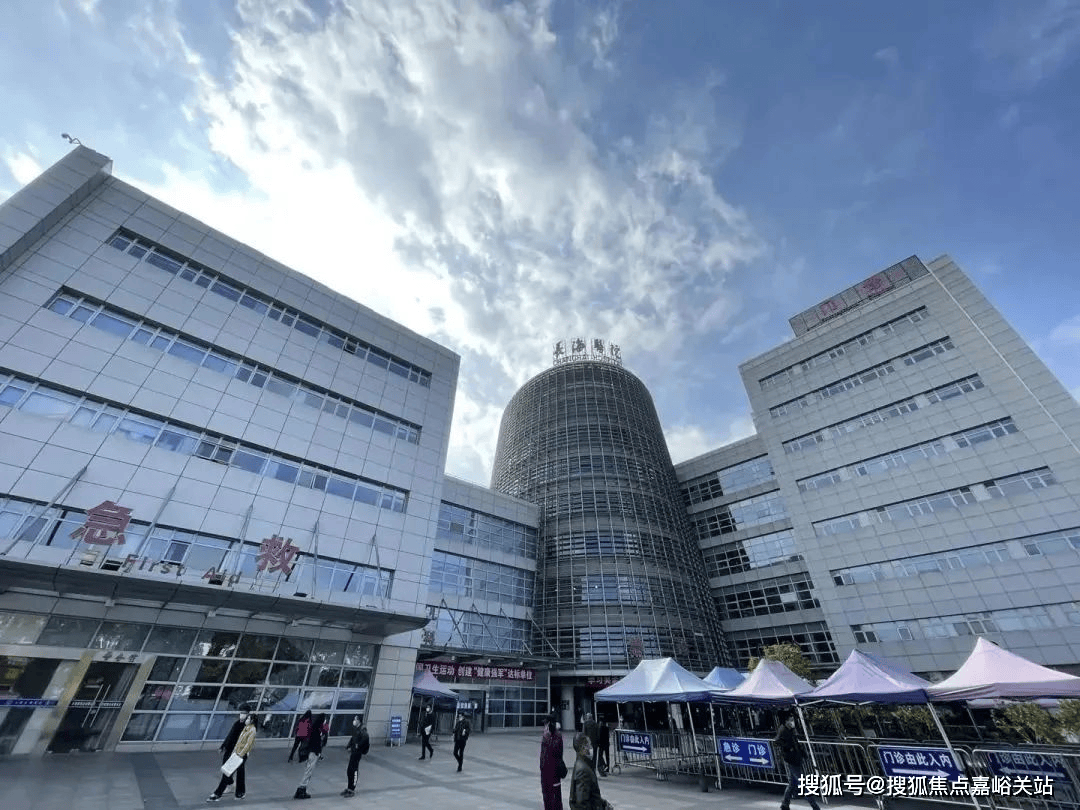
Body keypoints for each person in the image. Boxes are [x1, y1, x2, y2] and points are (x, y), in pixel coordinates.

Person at [773, 713, 820, 810]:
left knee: (792, 784)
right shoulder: (783, 730)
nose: (792, 722)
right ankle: (815, 806)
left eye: (792, 719)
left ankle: (785, 803)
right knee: (803, 783)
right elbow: (776, 742)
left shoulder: (791, 730)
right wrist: (788, 747)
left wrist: (803, 753)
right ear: (786, 721)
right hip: (792, 759)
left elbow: (796, 743)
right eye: (790, 720)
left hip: (796, 758)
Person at [207, 711, 257, 802]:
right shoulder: (246, 728)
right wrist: (234, 751)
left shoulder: (252, 730)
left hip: (240, 755)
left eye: (248, 718)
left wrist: (240, 754)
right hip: (237, 753)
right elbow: (238, 740)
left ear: (252, 721)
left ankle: (218, 794)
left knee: (228, 772)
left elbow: (248, 744)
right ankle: (240, 793)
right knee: (238, 774)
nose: (246, 719)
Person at [569, 732, 612, 810]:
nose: (591, 747)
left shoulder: (583, 763)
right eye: (589, 745)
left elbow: (591, 794)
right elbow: (582, 803)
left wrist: (603, 804)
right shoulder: (583, 770)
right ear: (583, 748)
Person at [293, 712, 326, 800]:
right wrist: (317, 752)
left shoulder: (313, 729)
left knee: (308, 771)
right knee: (309, 772)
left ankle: (301, 789)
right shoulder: (316, 731)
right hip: (313, 753)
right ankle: (301, 789)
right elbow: (316, 744)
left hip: (311, 753)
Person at [539, 713, 565, 810]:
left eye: (546, 724)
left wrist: (547, 738)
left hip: (553, 774)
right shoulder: (546, 736)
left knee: (555, 799)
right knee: (546, 798)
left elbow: (555, 753)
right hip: (545, 773)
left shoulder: (556, 736)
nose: (544, 726)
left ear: (550, 724)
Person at [341, 717, 370, 798]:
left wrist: (358, 746)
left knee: (354, 770)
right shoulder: (356, 729)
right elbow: (352, 738)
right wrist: (348, 746)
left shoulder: (362, 730)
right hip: (353, 752)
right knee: (349, 770)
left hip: (357, 753)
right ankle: (349, 787)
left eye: (355, 719)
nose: (354, 721)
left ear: (359, 721)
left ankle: (352, 789)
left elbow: (366, 738)